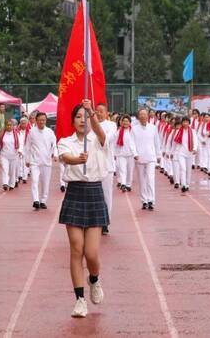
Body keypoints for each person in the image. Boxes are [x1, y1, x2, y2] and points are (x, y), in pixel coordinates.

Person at [57, 99, 108, 318]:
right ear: (72, 121)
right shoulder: (65, 141)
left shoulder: (97, 139)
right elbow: (66, 158)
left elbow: (100, 131)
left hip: (95, 193)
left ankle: (94, 280)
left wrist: (91, 112)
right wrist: (78, 160)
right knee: (77, 249)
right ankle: (79, 299)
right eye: (78, 117)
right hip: (75, 193)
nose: (82, 121)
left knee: (92, 253)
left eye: (84, 117)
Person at [27, 112, 57, 210]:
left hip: (46, 161)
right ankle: (36, 200)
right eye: (40, 120)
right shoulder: (32, 132)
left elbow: (54, 145)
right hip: (35, 162)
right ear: (36, 120)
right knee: (34, 180)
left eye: (43, 120)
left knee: (45, 183)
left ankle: (43, 200)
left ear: (46, 120)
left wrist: (55, 154)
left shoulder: (50, 132)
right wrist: (27, 159)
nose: (41, 122)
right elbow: (27, 146)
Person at [132, 108, 161, 210]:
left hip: (151, 157)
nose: (143, 116)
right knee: (142, 180)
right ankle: (144, 200)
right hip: (139, 158)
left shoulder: (153, 128)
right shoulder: (134, 129)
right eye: (141, 115)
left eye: (145, 114)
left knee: (150, 178)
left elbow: (157, 142)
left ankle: (151, 200)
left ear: (148, 116)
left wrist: (158, 155)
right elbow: (132, 143)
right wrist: (135, 154)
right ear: (139, 116)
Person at [96, 103, 117, 235]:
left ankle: (105, 221)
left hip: (107, 165)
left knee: (106, 195)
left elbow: (106, 139)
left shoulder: (112, 125)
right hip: (94, 165)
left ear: (106, 113)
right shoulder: (90, 124)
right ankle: (95, 220)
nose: (99, 113)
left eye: (101, 111)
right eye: (96, 111)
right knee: (94, 195)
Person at [0, 119, 23, 191]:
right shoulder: (2, 134)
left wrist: (20, 150)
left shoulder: (17, 134)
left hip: (14, 155)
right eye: (8, 125)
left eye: (10, 125)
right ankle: (5, 183)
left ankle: (12, 184)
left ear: (13, 126)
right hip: (4, 155)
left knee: (12, 171)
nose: (9, 126)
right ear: (5, 126)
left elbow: (21, 143)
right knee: (5, 169)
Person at [172, 116, 198, 193]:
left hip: (189, 153)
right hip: (181, 153)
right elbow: (174, 143)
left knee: (188, 170)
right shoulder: (178, 131)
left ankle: (187, 184)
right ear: (182, 123)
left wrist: (195, 149)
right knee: (183, 168)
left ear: (189, 123)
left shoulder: (192, 131)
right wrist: (172, 152)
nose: (185, 123)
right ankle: (183, 185)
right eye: (184, 122)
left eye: (187, 122)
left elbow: (195, 141)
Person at [114, 115, 137, 193]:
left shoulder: (133, 131)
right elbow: (115, 143)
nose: (125, 123)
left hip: (130, 155)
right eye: (124, 121)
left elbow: (134, 143)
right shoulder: (119, 131)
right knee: (122, 169)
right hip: (121, 154)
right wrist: (114, 153)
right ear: (121, 122)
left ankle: (128, 185)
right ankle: (123, 184)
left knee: (130, 171)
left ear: (130, 122)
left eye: (127, 121)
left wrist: (135, 154)